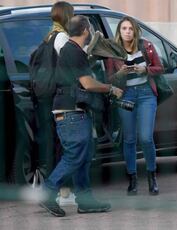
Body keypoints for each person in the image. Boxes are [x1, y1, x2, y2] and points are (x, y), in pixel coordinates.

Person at [39, 15, 123, 217]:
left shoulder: (74, 50)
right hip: (70, 113)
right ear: (85, 30)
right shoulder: (72, 51)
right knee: (75, 156)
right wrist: (110, 88)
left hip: (74, 111)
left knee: (83, 158)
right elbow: (87, 83)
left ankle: (85, 201)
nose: (92, 33)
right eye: (91, 29)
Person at [105, 16, 164, 196]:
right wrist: (121, 73)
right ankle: (132, 179)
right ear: (119, 31)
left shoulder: (146, 46)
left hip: (146, 94)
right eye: (124, 28)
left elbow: (160, 68)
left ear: (135, 30)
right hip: (126, 96)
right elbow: (110, 79)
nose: (127, 32)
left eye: (131, 28)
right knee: (129, 139)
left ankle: (152, 177)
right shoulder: (113, 52)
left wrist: (145, 69)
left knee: (146, 138)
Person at [33, 1, 75, 206]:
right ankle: (61, 193)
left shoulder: (49, 35)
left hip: (45, 97)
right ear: (67, 16)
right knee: (64, 146)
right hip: (58, 97)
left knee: (54, 145)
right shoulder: (62, 37)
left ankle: (58, 191)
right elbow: (71, 64)